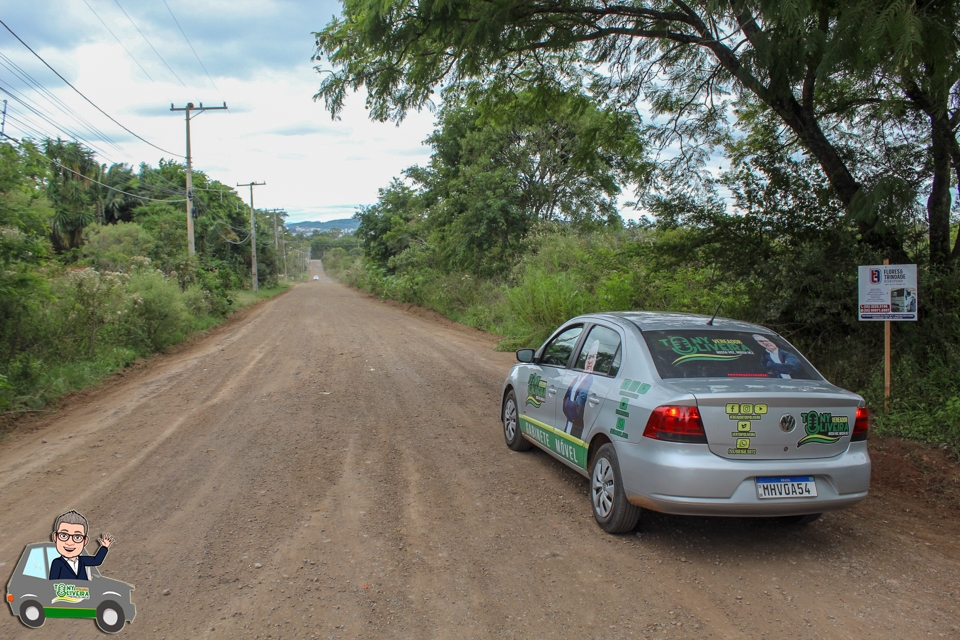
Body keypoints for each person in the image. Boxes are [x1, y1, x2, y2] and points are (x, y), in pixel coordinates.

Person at [49, 510, 113, 581]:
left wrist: (104, 547)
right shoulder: (57, 563)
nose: (70, 543)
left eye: (77, 537)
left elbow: (97, 561)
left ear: (85, 541)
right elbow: (52, 583)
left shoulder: (82, 560)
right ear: (55, 537)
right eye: (64, 535)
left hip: (83, 591)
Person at [562, 341, 599, 439]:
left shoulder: (590, 379)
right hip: (568, 423)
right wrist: (570, 404)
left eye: (593, 358)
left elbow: (579, 405)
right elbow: (565, 398)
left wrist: (569, 405)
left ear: (596, 361)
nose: (590, 361)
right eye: (589, 357)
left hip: (576, 426)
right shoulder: (578, 376)